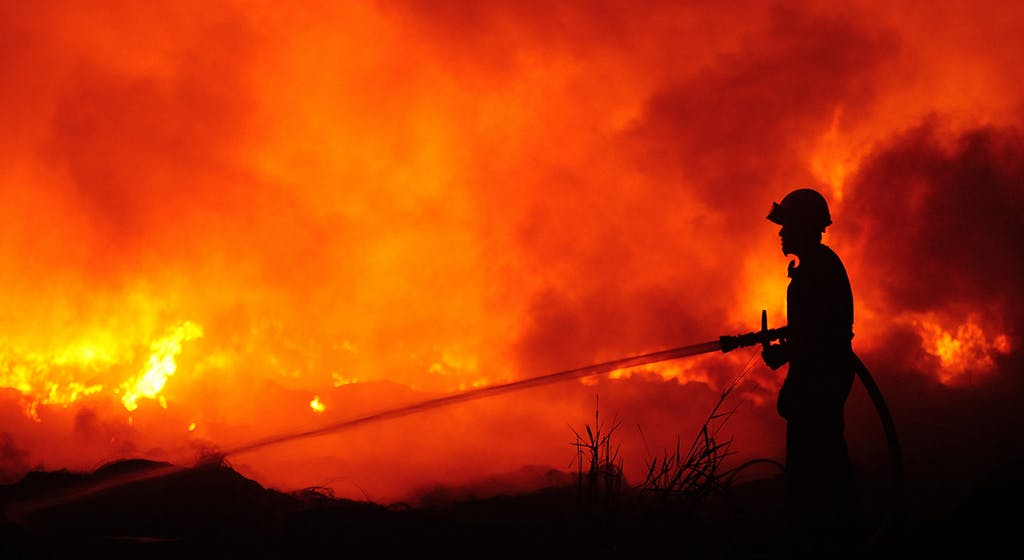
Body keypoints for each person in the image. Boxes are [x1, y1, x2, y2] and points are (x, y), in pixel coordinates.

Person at [760, 188, 858, 552]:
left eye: (786, 227)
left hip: (822, 376)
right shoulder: (816, 267)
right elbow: (812, 330)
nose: (781, 234)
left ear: (803, 228)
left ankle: (824, 539)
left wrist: (788, 354)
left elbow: (821, 333)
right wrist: (787, 353)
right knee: (815, 455)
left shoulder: (818, 270)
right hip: (818, 372)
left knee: (818, 458)